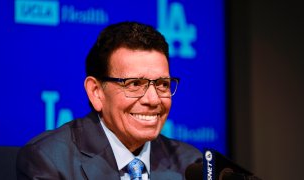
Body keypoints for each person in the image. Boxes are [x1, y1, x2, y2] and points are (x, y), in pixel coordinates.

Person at [16, 21, 202, 179]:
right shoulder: (50, 161)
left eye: (162, 84)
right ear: (96, 92)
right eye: (135, 84)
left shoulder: (190, 165)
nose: (153, 100)